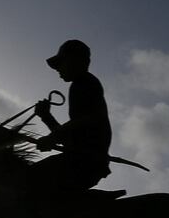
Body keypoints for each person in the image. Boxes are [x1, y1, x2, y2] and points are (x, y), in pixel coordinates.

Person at [31, 39, 112, 193]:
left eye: (61, 63)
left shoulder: (84, 83)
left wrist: (52, 137)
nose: (58, 70)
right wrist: (46, 116)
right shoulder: (80, 85)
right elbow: (70, 137)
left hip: (84, 162)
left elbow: (88, 119)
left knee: (28, 178)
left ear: (77, 61)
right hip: (83, 160)